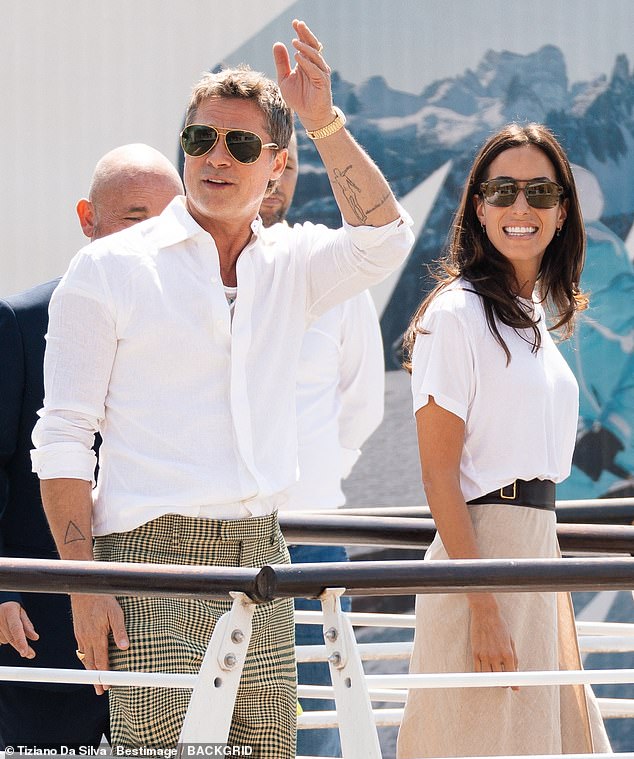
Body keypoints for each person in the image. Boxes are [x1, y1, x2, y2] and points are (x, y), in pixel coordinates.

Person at [31, 19, 414, 757]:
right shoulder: (110, 268)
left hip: (263, 555)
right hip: (149, 557)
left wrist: (324, 121)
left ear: (275, 167)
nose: (216, 157)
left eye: (242, 145)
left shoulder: (295, 263)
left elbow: (384, 239)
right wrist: (84, 584)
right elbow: (64, 437)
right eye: (200, 138)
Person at [396, 123, 611, 757]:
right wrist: (482, 604)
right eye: (503, 191)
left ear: (562, 210)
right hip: (483, 565)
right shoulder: (455, 315)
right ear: (479, 207)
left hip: (538, 562)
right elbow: (439, 477)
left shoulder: (535, 319)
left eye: (540, 192)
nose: (522, 208)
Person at [0, 143, 183, 751]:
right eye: (136, 216)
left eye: (169, 218)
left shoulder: (200, 326)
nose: (154, 235)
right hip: (42, 631)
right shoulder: (19, 322)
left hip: (168, 624)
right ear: (88, 220)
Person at [260, 133, 385, 756]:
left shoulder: (335, 267)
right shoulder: (184, 269)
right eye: (262, 152)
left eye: (287, 158)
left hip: (309, 534)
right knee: (211, 718)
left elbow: (361, 403)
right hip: (204, 534)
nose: (276, 173)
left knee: (317, 722)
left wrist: (312, 479)